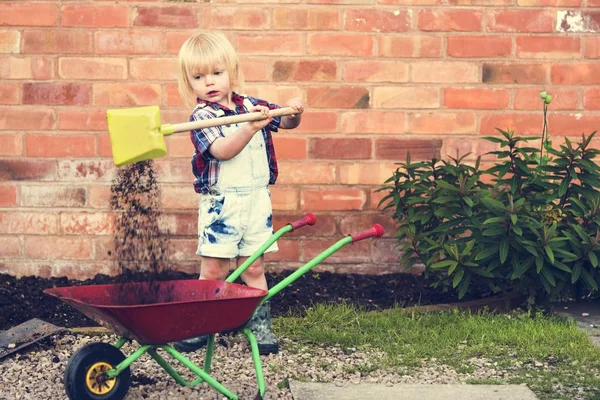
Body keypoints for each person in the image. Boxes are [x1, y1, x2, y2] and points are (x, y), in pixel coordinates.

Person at [174, 31, 304, 355]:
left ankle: (259, 325)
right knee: (214, 269)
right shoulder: (201, 118)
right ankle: (199, 325)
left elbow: (286, 123)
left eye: (217, 73)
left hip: (257, 201)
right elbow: (221, 150)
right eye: (199, 77)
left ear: (232, 70)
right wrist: (248, 128)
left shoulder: (252, 105)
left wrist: (293, 112)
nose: (210, 82)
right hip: (223, 205)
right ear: (189, 82)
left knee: (254, 266)